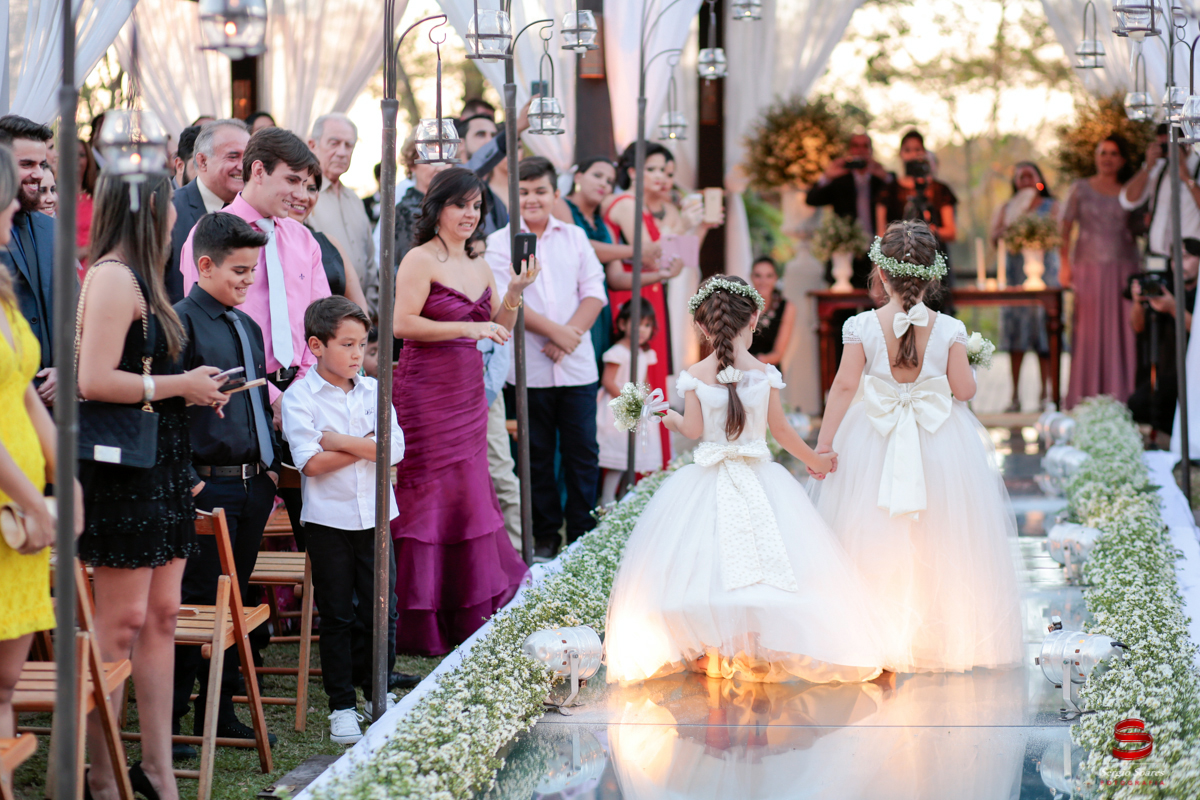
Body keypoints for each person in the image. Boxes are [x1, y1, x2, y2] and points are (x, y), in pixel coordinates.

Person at [604, 275, 891, 684]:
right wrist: (817, 460)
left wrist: (658, 412)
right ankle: (754, 646)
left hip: (707, 478)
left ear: (703, 327)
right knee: (767, 562)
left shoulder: (696, 374)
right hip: (761, 478)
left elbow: (691, 430)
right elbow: (782, 433)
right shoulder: (765, 373)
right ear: (754, 318)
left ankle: (718, 650)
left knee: (710, 563)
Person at [77, 170, 232, 800]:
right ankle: (101, 776)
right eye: (168, 207)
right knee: (120, 625)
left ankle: (158, 770)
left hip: (163, 464)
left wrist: (198, 390)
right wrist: (179, 386)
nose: (176, 218)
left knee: (163, 617)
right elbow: (92, 381)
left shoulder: (150, 279)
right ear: (144, 209)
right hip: (122, 472)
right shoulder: (113, 276)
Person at [808, 221, 1023, 673]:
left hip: (872, 437)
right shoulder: (949, 328)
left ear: (880, 275)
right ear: (932, 278)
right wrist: (964, 365)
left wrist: (824, 445)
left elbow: (844, 387)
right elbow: (963, 391)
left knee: (873, 533)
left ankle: (877, 635)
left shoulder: (861, 326)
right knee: (941, 536)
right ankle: (937, 636)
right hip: (940, 442)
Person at [391, 167, 536, 654]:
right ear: (437, 208)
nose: (470, 215)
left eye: (477, 206)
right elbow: (402, 324)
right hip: (425, 392)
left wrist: (514, 293)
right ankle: (421, 617)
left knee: (470, 494)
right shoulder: (418, 259)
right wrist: (465, 331)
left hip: (468, 392)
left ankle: (469, 606)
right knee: (428, 497)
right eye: (461, 205)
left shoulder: (481, 263)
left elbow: (497, 325)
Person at [180, 127, 332, 549]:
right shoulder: (209, 235)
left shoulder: (303, 238)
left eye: (306, 183)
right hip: (241, 399)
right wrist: (270, 399)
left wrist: (300, 392)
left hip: (303, 393)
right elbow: (207, 331)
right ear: (259, 171)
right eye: (293, 180)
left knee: (324, 538)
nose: (301, 193)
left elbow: (321, 327)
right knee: (237, 548)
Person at [170, 212, 280, 755]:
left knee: (236, 603)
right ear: (205, 264)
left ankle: (223, 710)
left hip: (253, 484)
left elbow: (256, 401)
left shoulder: (247, 325)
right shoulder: (180, 323)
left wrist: (271, 468)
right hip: (206, 486)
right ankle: (172, 718)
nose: (247, 281)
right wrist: (188, 482)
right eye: (239, 270)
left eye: (253, 270)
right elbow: (164, 411)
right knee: (195, 602)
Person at [282, 296, 403, 744]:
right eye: (347, 345)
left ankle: (378, 693)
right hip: (328, 522)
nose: (357, 354)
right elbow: (309, 464)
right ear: (316, 345)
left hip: (375, 517)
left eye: (362, 345)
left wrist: (339, 440)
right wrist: (365, 444)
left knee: (380, 610)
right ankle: (342, 706)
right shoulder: (300, 398)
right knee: (336, 615)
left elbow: (396, 450)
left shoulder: (375, 391)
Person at [0, 144, 81, 744]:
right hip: (14, 502)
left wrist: (66, 473)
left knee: (5, 683)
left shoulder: (4, 287)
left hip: (24, 510)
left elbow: (25, 391)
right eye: (5, 212)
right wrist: (33, 501)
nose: (13, 225)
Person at [487, 157, 607, 559]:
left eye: (540, 191)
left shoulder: (574, 236)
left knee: (582, 454)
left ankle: (583, 535)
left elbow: (594, 292)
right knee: (534, 456)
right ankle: (543, 538)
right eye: (523, 192)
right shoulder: (499, 242)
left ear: (556, 194)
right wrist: (555, 332)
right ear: (512, 195)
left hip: (576, 366)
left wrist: (568, 334)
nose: (532, 199)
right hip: (528, 369)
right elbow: (502, 299)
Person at [602, 142, 686, 467]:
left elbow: (675, 258)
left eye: (666, 172)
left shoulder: (646, 208)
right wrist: (681, 226)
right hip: (631, 296)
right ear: (634, 171)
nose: (661, 177)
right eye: (652, 169)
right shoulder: (625, 203)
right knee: (632, 373)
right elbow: (650, 252)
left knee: (652, 373)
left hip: (651, 294)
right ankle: (631, 463)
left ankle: (652, 461)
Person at [1062, 135, 1141, 408]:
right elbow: (1065, 227)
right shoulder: (1080, 188)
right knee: (1088, 332)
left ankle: (1123, 396)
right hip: (1088, 269)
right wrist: (1064, 264)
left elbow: (1141, 226)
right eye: (1103, 152)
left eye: (1113, 153)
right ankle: (1086, 396)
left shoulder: (1130, 190)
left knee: (1124, 331)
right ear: (1095, 156)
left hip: (1125, 267)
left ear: (1122, 160)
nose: (1107, 158)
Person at [0, 115, 62, 408]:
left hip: (53, 407)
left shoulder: (52, 229)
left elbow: (77, 311)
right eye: (27, 165)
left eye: (43, 164)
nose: (38, 174)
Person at [992, 161, 1059, 411]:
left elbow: (1058, 235)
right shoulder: (1008, 208)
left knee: (1045, 337)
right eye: (1021, 177)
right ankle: (1015, 396)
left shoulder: (1051, 207)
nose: (1026, 180)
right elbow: (994, 236)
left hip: (1046, 280)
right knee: (1016, 338)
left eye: (1030, 175)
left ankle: (1046, 394)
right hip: (1015, 280)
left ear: (1039, 178)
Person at [166, 119, 251, 303]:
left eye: (247, 158)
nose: (242, 166)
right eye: (233, 156)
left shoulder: (255, 214)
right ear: (202, 161)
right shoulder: (168, 211)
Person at [308, 113, 379, 315]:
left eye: (349, 146)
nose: (342, 152)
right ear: (313, 145)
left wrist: (370, 313)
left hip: (362, 319)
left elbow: (369, 260)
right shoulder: (302, 199)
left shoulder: (354, 200)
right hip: (323, 319)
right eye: (334, 143)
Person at [806, 132, 893, 288]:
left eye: (865, 146)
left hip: (877, 252)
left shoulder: (881, 179)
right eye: (855, 146)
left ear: (871, 151)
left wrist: (884, 176)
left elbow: (899, 201)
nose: (860, 151)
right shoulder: (840, 180)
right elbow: (812, 200)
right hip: (846, 253)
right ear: (849, 151)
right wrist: (827, 176)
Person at [596, 299, 661, 505]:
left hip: (637, 408)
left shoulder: (644, 353)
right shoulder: (618, 352)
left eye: (647, 325)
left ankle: (624, 502)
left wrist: (648, 401)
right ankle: (606, 502)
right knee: (618, 460)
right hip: (620, 409)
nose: (642, 330)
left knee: (631, 462)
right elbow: (608, 381)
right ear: (623, 324)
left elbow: (644, 381)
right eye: (637, 324)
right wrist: (630, 402)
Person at [1129, 256, 1196, 445]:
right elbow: (1138, 326)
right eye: (1176, 259)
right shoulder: (1167, 286)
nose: (1180, 264)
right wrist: (1138, 303)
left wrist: (1173, 307)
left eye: (1187, 257)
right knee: (1138, 404)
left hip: (1191, 370)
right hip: (1164, 369)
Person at [287, 170, 370, 312]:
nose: (304, 197)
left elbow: (360, 309)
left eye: (311, 189)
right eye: (295, 186)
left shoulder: (329, 242)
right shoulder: (263, 242)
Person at [876, 130, 957, 259]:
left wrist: (925, 232)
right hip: (898, 259)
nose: (913, 155)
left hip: (932, 258)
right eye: (907, 150)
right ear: (900, 154)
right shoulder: (888, 190)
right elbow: (880, 233)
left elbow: (951, 232)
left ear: (924, 153)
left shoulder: (939, 189)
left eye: (917, 149)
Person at [748, 256, 796, 368]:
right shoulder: (741, 305)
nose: (763, 281)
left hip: (769, 371)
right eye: (758, 276)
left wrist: (754, 362)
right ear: (751, 277)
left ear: (776, 278)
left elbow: (778, 353)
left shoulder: (787, 307)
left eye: (769, 276)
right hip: (739, 371)